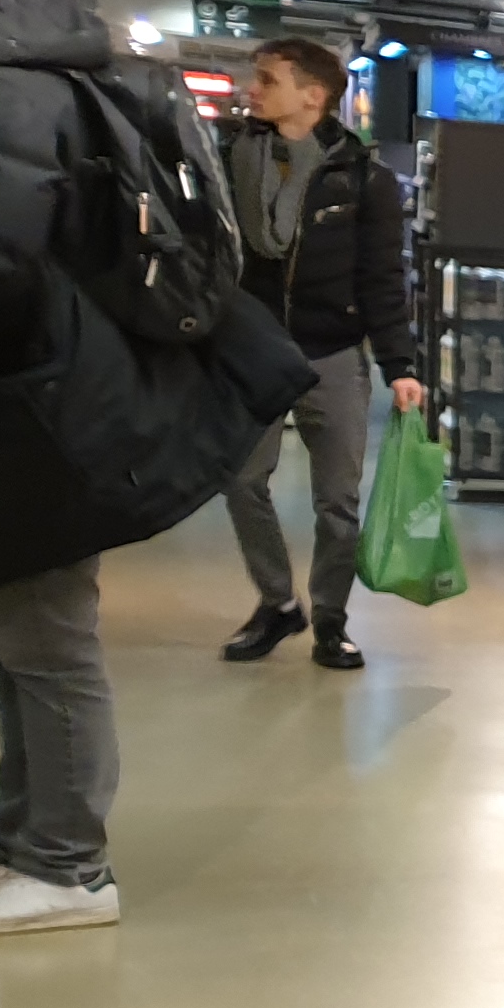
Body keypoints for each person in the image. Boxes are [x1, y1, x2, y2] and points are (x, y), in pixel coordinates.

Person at [0, 0, 314, 933]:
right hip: (63, 387)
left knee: (42, 633)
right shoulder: (57, 74)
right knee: (23, 630)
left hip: (43, 402)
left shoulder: (16, 90)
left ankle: (66, 862)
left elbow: (4, 266)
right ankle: (26, 837)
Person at [216, 35, 420, 672]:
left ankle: (331, 618)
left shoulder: (362, 178)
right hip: (255, 351)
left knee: (338, 502)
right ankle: (278, 602)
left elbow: (382, 278)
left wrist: (400, 365)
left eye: (267, 80)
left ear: (312, 95)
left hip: (333, 352)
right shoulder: (230, 160)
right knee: (240, 478)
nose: (252, 90)